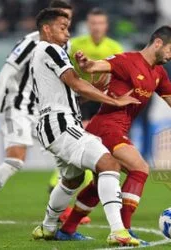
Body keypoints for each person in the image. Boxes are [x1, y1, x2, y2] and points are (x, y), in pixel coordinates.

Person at [54, 25, 171, 242]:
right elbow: (98, 66)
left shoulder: (158, 73)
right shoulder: (127, 60)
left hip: (115, 129)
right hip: (106, 127)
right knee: (140, 168)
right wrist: (88, 64)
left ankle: (67, 230)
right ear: (158, 43)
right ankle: (124, 231)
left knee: (100, 184)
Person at [30, 8, 141, 246]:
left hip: (52, 124)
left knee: (72, 180)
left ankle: (48, 227)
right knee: (109, 163)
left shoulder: (42, 53)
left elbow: (72, 91)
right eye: (62, 27)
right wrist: (114, 100)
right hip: (60, 122)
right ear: (46, 29)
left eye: (68, 27)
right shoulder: (51, 49)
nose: (67, 33)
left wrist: (97, 90)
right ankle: (118, 231)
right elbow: (75, 83)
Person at [0, 0, 73, 229]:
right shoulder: (30, 42)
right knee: (15, 160)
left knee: (68, 157)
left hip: (42, 111)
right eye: (62, 23)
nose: (66, 28)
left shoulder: (65, 46)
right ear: (49, 24)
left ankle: (63, 210)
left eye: (68, 23)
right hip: (18, 107)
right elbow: (6, 73)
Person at [47, 8, 123, 222]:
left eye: (100, 23)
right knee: (87, 144)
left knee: (92, 146)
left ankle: (62, 188)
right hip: (80, 101)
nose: (97, 27)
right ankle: (59, 185)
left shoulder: (114, 47)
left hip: (102, 100)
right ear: (88, 25)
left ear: (105, 26)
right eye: (93, 23)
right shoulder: (76, 45)